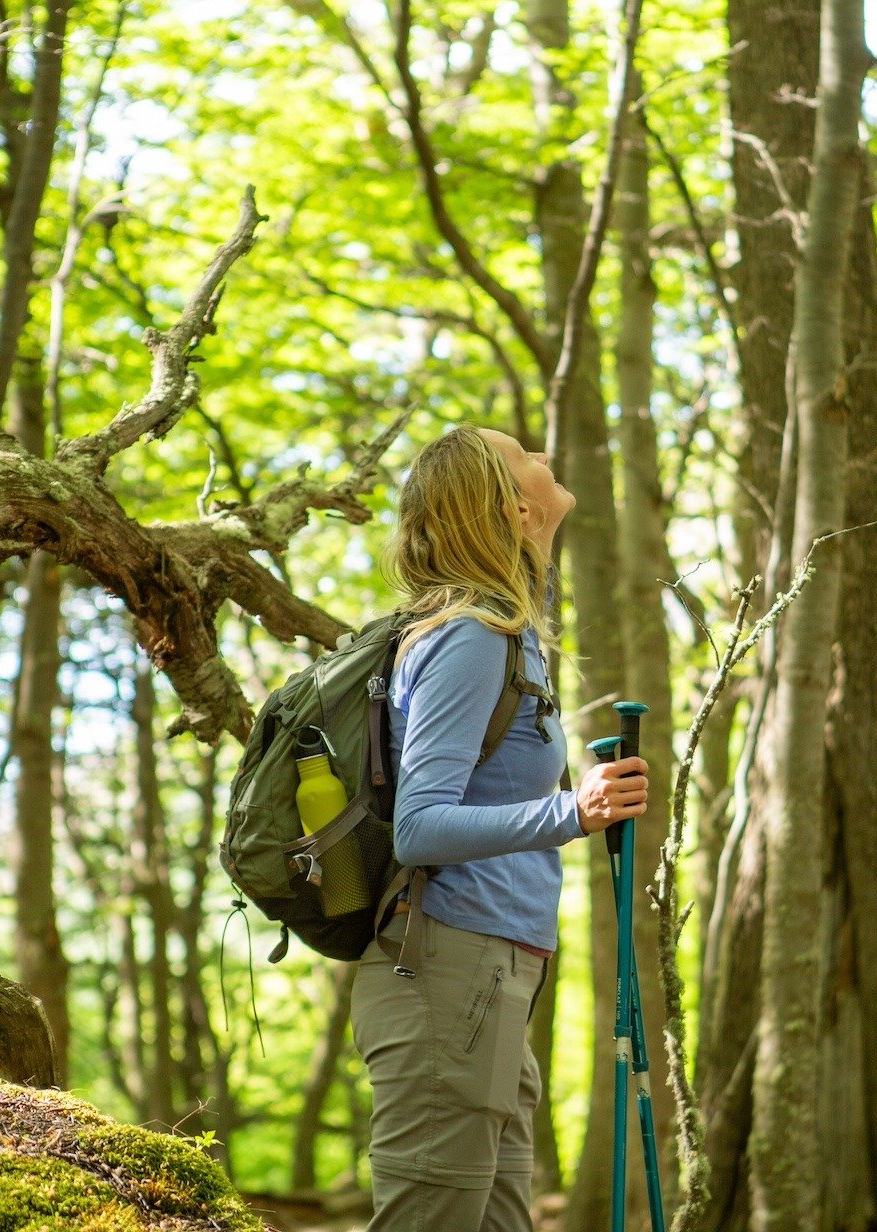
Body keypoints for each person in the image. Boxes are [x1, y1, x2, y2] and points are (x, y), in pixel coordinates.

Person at [353, 425, 648, 1231]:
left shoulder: (511, 634)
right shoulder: (470, 638)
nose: (547, 458)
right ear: (515, 506)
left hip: (491, 977)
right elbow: (418, 827)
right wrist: (573, 811)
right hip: (446, 974)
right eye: (528, 457)